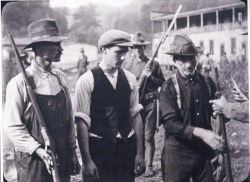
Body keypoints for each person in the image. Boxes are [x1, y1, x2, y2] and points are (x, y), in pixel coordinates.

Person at [3, 18, 80, 182]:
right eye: (55, 45)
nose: (61, 49)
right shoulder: (20, 83)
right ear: (38, 48)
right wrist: (38, 150)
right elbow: (12, 126)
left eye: (59, 44)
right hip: (34, 160)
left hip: (62, 155)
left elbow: (68, 120)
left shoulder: (60, 78)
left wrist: (73, 152)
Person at [74, 29, 145, 182]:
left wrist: (140, 152)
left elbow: (136, 116)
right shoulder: (86, 81)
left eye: (125, 52)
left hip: (126, 148)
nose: (123, 57)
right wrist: (86, 161)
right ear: (104, 50)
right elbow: (81, 123)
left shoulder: (130, 79)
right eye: (118, 52)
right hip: (100, 151)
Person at [159, 34, 224, 182]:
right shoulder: (168, 88)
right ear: (175, 61)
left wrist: (222, 108)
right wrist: (201, 133)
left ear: (197, 58)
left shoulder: (208, 83)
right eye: (183, 60)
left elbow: (219, 115)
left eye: (191, 58)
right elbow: (170, 124)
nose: (188, 65)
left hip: (203, 152)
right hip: (178, 153)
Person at [124, 31, 165, 177]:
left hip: (151, 103)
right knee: (137, 135)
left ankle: (149, 166)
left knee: (148, 136)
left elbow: (163, 83)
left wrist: (151, 77)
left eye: (140, 47)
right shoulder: (127, 65)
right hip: (136, 103)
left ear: (144, 48)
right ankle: (138, 164)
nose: (137, 50)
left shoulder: (153, 64)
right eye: (134, 47)